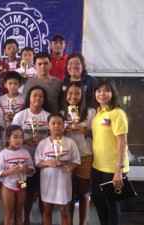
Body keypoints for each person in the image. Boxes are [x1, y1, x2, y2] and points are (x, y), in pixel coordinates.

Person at [91, 78, 129, 225]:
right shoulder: (98, 113)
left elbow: (122, 143)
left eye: (106, 90)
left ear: (113, 93)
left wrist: (118, 171)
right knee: (98, 201)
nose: (102, 94)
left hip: (113, 168)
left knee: (112, 204)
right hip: (97, 166)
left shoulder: (117, 113)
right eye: (99, 90)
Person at [12, 86, 50, 225]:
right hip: (24, 162)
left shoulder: (47, 116)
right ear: (29, 98)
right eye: (35, 95)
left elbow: (54, 138)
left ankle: (43, 221)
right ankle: (26, 220)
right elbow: (12, 136)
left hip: (44, 161)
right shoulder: (20, 116)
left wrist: (43, 140)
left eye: (41, 96)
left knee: (42, 194)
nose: (38, 98)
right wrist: (24, 140)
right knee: (26, 192)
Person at [35, 114, 80, 225]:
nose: (56, 126)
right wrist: (47, 162)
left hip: (63, 181)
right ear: (48, 125)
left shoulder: (70, 143)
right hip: (47, 182)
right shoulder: (42, 143)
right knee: (47, 210)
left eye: (59, 123)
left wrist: (69, 167)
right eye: (53, 123)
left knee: (64, 211)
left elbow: (77, 161)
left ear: (64, 125)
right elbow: (37, 163)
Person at [61, 82, 95, 225]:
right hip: (67, 159)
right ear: (66, 95)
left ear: (82, 96)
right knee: (68, 195)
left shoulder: (91, 112)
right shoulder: (62, 114)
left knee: (83, 193)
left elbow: (100, 135)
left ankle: (82, 223)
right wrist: (63, 131)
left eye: (77, 93)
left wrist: (86, 131)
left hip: (85, 157)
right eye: (70, 93)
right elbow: (55, 137)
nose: (73, 96)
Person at [0, 125, 35, 225]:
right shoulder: (3, 154)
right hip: (8, 187)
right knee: (9, 212)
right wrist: (9, 171)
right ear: (8, 138)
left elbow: (32, 168)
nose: (19, 140)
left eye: (21, 137)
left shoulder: (25, 152)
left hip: (22, 185)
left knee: (19, 212)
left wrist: (26, 170)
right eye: (15, 137)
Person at [0, 71, 25, 144]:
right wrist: (4, 116)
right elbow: (0, 115)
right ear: (5, 85)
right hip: (6, 130)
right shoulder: (1, 99)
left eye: (15, 83)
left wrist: (17, 116)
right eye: (10, 83)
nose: (12, 86)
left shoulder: (24, 98)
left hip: (20, 130)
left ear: (19, 85)